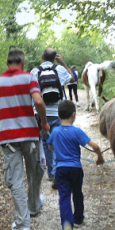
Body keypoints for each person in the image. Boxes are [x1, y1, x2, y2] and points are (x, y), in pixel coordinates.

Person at [0, 49, 50, 230]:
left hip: (9, 138)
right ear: (23, 63)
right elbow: (38, 101)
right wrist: (44, 122)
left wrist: (7, 116)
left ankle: (23, 224)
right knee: (35, 171)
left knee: (15, 179)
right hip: (30, 134)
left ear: (7, 63)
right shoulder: (29, 78)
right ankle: (33, 206)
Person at [47, 100, 104, 230]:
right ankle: (78, 219)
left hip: (60, 169)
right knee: (77, 193)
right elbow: (95, 146)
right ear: (74, 115)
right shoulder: (77, 132)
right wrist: (100, 158)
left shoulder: (55, 131)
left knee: (64, 196)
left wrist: (58, 148)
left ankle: (67, 224)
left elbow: (50, 147)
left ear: (59, 116)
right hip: (76, 169)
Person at [30, 48, 75, 190]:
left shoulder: (34, 71)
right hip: (58, 112)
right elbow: (72, 79)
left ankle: (51, 172)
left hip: (42, 113)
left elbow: (31, 93)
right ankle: (58, 172)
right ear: (55, 58)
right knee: (59, 141)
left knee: (46, 142)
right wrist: (63, 63)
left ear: (42, 57)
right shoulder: (60, 69)